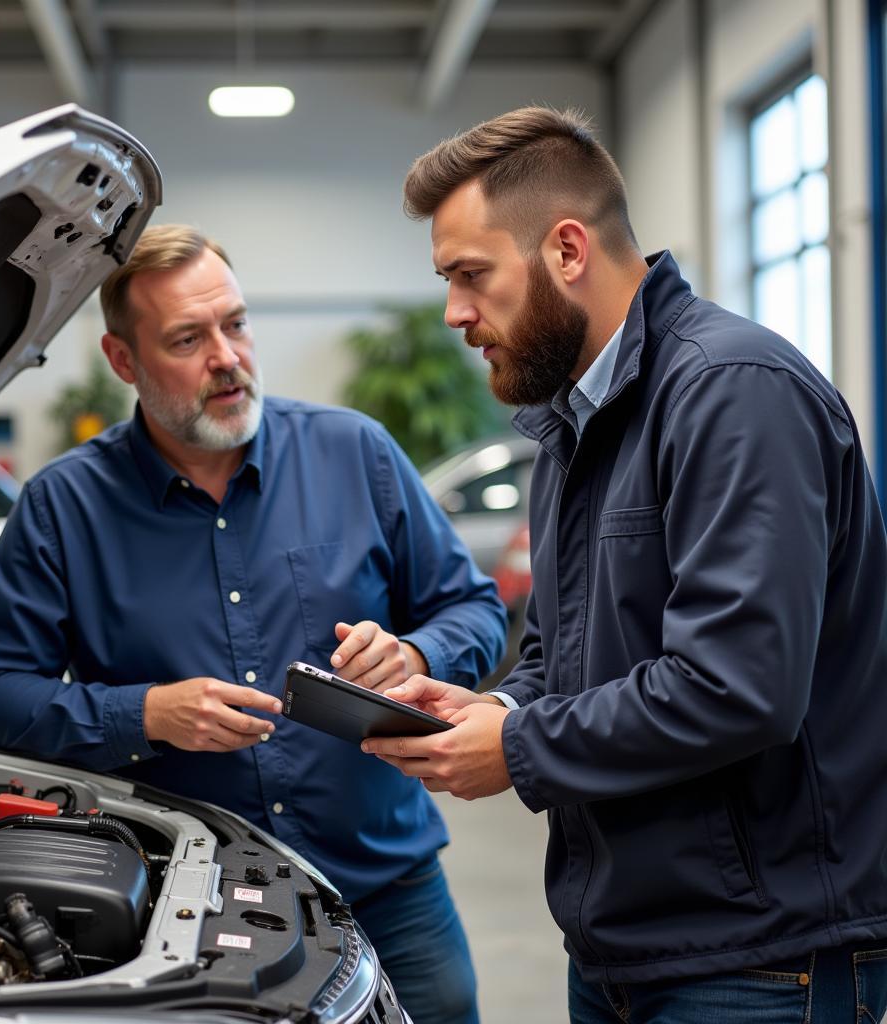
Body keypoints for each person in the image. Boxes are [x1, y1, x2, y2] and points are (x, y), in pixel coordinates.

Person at [360, 105, 887, 1022]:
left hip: (760, 960)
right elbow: (565, 655)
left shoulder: (734, 395)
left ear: (566, 250)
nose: (454, 314)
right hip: (623, 947)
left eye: (470, 277)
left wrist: (516, 750)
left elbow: (740, 686)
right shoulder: (571, 425)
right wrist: (496, 707)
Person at [0, 224, 508, 1024]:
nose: (228, 357)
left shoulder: (358, 454)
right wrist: (144, 714)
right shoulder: (63, 507)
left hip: (389, 886)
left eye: (237, 323)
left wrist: (418, 651)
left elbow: (477, 609)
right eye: (188, 338)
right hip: (189, 907)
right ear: (123, 362)